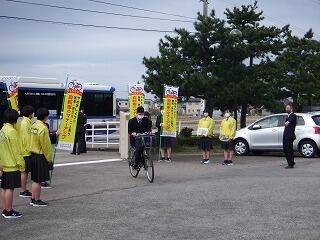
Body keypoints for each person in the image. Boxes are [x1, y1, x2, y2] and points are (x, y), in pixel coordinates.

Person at [0, 109, 25, 218]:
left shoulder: (2, 130)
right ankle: (9, 211)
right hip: (12, 164)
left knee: (5, 188)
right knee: (10, 188)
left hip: (4, 163)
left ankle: (5, 209)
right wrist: (22, 164)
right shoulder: (12, 131)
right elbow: (17, 151)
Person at [30, 108, 52, 207]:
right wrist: (49, 159)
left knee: (35, 179)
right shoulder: (43, 128)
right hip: (40, 156)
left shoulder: (33, 126)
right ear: (45, 117)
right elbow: (46, 146)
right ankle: (37, 200)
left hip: (32, 155)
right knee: (39, 180)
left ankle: (33, 199)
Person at [19, 105, 34, 198]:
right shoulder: (26, 123)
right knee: (25, 172)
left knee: (25, 171)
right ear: (29, 114)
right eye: (32, 112)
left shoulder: (25, 121)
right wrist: (31, 149)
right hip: (26, 152)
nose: (33, 114)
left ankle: (23, 189)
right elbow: (27, 139)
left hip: (24, 150)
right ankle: (23, 190)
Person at [283, 104, 297, 169]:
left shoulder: (293, 115)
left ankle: (291, 164)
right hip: (286, 136)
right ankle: (291, 162)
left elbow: (290, 121)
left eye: (288, 108)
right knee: (286, 149)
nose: (286, 109)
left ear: (291, 109)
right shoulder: (288, 116)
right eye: (286, 108)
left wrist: (287, 122)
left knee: (289, 150)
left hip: (289, 136)